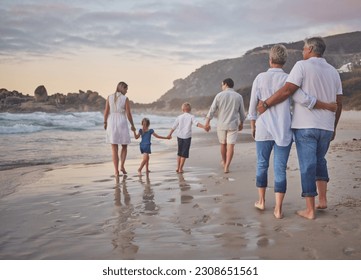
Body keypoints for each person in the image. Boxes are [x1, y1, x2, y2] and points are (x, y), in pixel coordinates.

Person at [257, 37, 343, 219]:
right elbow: (339, 102)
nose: (303, 52)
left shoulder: (301, 66)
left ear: (311, 49)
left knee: (307, 166)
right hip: (326, 126)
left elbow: (289, 91)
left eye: (304, 48)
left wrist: (266, 103)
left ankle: (310, 210)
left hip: (306, 126)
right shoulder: (334, 72)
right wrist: (333, 126)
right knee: (320, 160)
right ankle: (323, 200)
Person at [205, 78, 246, 173]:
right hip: (233, 124)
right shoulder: (238, 96)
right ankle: (227, 166)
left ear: (226, 84)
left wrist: (207, 123)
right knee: (231, 146)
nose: (221, 87)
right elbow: (242, 113)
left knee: (223, 144)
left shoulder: (219, 95)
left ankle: (224, 161)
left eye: (222, 85)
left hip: (222, 124)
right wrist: (241, 123)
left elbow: (212, 110)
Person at [104, 81, 136, 177]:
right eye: (126, 89)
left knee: (114, 147)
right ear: (122, 88)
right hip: (121, 120)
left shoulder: (109, 97)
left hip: (111, 121)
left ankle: (116, 171)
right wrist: (132, 125)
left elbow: (106, 111)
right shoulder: (125, 98)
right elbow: (128, 113)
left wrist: (105, 122)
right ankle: (122, 166)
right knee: (124, 145)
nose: (127, 91)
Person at [167, 102, 209, 173]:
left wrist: (169, 134)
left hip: (179, 136)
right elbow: (197, 124)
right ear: (190, 110)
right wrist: (204, 127)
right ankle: (180, 168)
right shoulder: (191, 116)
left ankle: (177, 168)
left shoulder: (179, 117)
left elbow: (174, 126)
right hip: (187, 137)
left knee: (179, 152)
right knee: (184, 153)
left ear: (182, 109)